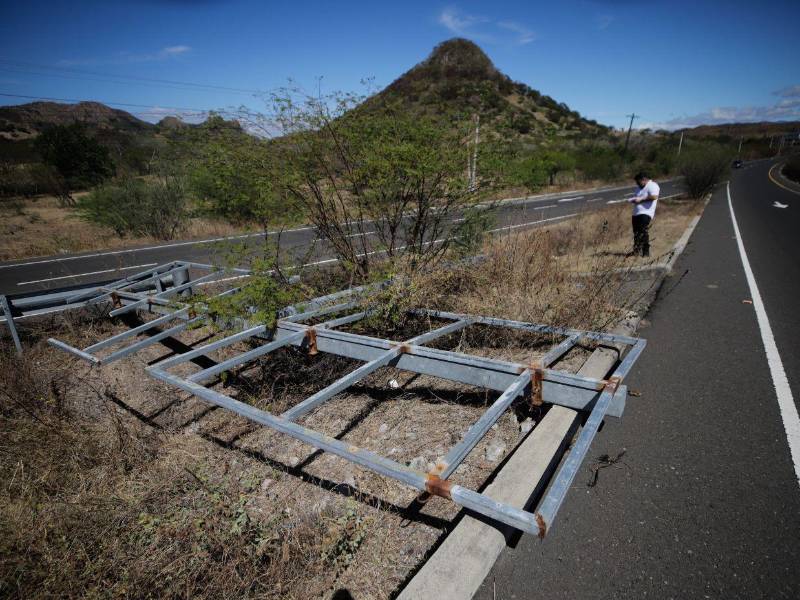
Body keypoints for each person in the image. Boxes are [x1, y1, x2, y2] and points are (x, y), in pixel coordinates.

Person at [628, 172, 659, 257]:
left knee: (643, 231)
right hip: (636, 213)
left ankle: (646, 252)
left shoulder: (652, 185)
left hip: (646, 212)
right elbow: (637, 197)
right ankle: (636, 251)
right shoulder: (638, 188)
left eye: (638, 182)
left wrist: (641, 199)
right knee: (636, 232)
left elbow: (654, 197)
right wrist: (633, 200)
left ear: (644, 179)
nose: (637, 184)